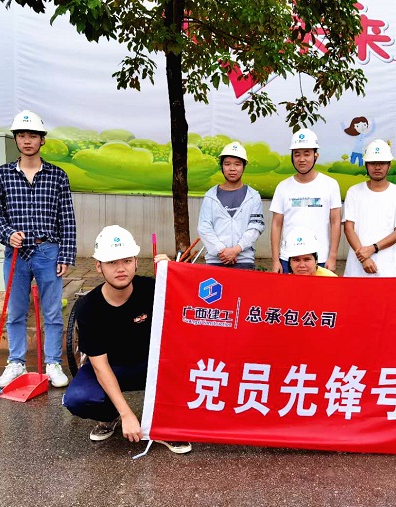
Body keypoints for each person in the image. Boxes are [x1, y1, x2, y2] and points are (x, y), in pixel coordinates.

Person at [62, 225, 192, 453]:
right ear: (98, 266)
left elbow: (193, 303)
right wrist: (126, 414)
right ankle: (109, 415)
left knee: (190, 370)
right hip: (110, 368)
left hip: (150, 367)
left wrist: (174, 274)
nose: (121, 268)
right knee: (77, 398)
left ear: (136, 262)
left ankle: (164, 425)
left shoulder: (153, 289)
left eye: (127, 261)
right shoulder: (88, 308)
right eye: (112, 262)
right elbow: (100, 367)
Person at [0, 110, 76, 388]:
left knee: (52, 312)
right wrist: (7, 234)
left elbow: (67, 218)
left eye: (33, 135)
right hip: (16, 253)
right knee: (15, 311)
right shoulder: (2, 175)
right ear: (16, 139)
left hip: (48, 251)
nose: (27, 140)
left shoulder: (57, 176)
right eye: (22, 135)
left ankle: (52, 363)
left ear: (42, 140)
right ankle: (16, 362)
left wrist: (66, 254)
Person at [270, 129, 342, 274]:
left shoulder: (330, 184)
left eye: (307, 154)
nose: (301, 159)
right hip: (289, 259)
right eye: (297, 154)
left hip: (320, 258)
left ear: (316, 155)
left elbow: (335, 222)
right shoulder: (283, 187)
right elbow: (276, 224)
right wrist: (275, 260)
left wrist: (332, 256)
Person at [343, 139, 396, 277]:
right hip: (356, 267)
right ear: (366, 165)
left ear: (389, 165)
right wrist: (364, 258)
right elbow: (348, 228)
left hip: (385, 268)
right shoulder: (354, 192)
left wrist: (373, 248)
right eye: (373, 163)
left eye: (382, 163)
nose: (377, 167)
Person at [197, 141, 265, 269]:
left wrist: (236, 249)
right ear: (222, 166)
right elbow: (204, 228)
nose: (232, 169)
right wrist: (222, 250)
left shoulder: (253, 196)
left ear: (244, 167)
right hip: (215, 260)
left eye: (237, 164)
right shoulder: (210, 196)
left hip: (244, 260)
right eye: (227, 164)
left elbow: (256, 226)